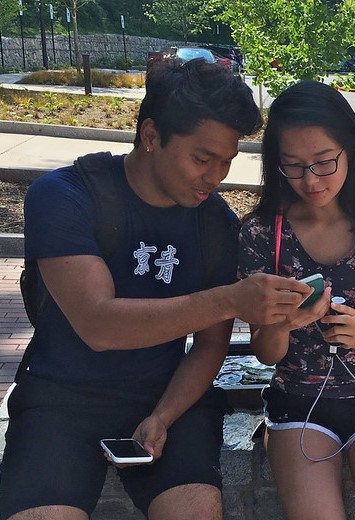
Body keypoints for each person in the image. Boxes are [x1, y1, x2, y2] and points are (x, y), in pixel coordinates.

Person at [0, 60, 314, 520]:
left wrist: (164, 416)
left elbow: (211, 344)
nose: (216, 177)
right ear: (151, 136)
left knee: (196, 510)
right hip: (58, 398)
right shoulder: (65, 195)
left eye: (226, 162)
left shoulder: (218, 225)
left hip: (168, 394)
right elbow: (98, 324)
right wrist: (230, 298)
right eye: (202, 158)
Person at [238, 80, 355, 519]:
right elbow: (266, 354)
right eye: (293, 166)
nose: (311, 180)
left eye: (324, 162)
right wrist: (285, 322)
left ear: (351, 151)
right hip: (299, 404)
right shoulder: (263, 234)